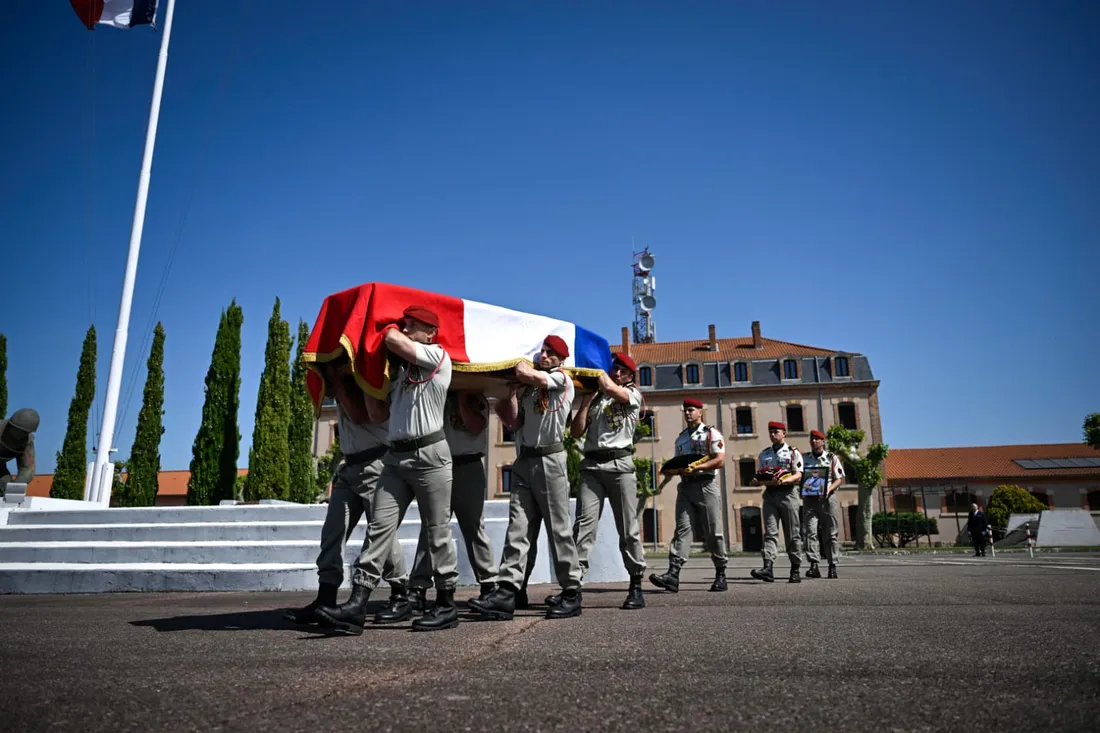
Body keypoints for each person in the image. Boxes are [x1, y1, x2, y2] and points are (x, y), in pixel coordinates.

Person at [316, 305, 460, 633]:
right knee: (379, 529)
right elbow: (378, 414)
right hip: (395, 459)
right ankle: (358, 602)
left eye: (413, 325)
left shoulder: (438, 357)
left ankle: (446, 603)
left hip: (430, 456)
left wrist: (377, 325)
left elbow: (394, 339)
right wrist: (364, 375)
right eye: (405, 323)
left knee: (437, 532)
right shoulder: (398, 372)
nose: (406, 329)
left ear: (431, 333)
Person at [282, 360, 411, 626]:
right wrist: (330, 376)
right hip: (350, 465)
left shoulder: (373, 378)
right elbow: (327, 395)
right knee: (333, 532)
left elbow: (360, 414)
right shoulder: (345, 382)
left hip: (377, 463)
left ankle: (401, 594)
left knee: (381, 535)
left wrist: (339, 378)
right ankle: (326, 596)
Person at [469, 335, 584, 621]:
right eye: (541, 351)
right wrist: (509, 394)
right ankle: (508, 590)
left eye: (550, 353)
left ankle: (571, 590)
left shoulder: (561, 380)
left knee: (558, 529)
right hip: (525, 459)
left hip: (549, 459)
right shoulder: (530, 389)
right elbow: (514, 421)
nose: (543, 356)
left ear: (561, 359)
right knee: (517, 529)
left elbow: (529, 373)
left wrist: (517, 360)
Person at [547, 352, 647, 611]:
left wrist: (597, 374)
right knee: (583, 528)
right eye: (614, 368)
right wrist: (587, 401)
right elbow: (577, 430)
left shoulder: (633, 395)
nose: (616, 373)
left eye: (622, 371)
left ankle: (635, 584)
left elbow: (618, 392)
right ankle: (573, 587)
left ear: (630, 376)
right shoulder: (598, 398)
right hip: (591, 465)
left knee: (628, 528)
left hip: (620, 467)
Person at [407, 390, 498, 609]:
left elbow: (476, 425)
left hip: (467, 465)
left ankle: (489, 585)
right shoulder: (435, 396)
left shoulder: (474, 396)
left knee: (473, 526)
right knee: (431, 527)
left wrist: (461, 399)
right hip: (437, 464)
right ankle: (418, 587)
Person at [648, 398, 728, 593]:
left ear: (700, 412)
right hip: (685, 487)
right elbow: (678, 463)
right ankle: (673, 574)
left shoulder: (711, 434)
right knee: (682, 530)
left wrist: (698, 467)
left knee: (713, 531)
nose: (687, 413)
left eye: (691, 410)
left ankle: (720, 573)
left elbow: (720, 460)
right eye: (685, 411)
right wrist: (669, 473)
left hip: (706, 485)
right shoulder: (681, 438)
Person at [750, 421, 804, 584]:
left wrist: (784, 481)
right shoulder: (765, 454)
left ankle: (795, 568)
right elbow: (760, 474)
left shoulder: (793, 453)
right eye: (771, 432)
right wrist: (755, 480)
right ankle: (768, 568)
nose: (773, 434)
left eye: (776, 432)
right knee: (770, 533)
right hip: (770, 495)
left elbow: (798, 475)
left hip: (788, 494)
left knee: (792, 533)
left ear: (784, 433)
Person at [800, 429, 845, 579]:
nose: (814, 441)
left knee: (831, 533)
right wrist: (801, 489)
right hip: (810, 500)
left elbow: (839, 479)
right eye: (812, 439)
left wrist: (828, 490)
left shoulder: (831, 458)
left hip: (827, 498)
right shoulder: (804, 458)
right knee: (810, 532)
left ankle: (832, 566)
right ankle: (814, 565)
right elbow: (800, 476)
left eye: (817, 439)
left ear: (823, 441)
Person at [0, 408, 38, 494]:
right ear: (10, 425)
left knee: (7, 489)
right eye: (19, 430)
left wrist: (15, 488)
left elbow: (27, 469)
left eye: (25, 432)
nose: (22, 435)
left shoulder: (27, 442)